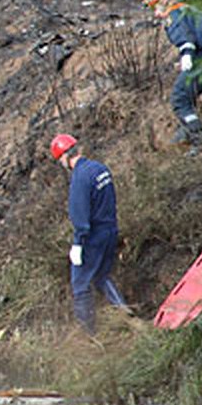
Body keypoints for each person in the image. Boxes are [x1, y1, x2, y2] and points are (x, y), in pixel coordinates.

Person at [50, 134, 128, 333]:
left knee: (80, 284)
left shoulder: (79, 179)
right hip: (110, 230)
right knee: (102, 276)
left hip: (92, 238)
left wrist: (78, 244)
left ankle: (88, 336)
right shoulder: (100, 169)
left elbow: (80, 217)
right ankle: (125, 313)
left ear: (64, 157)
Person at [144, 0, 202, 149]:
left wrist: (187, 56)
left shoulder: (174, 16)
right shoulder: (188, 10)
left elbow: (186, 40)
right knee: (188, 93)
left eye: (154, 7)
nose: (155, 14)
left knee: (179, 98)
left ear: (163, 1)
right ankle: (187, 128)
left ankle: (199, 138)